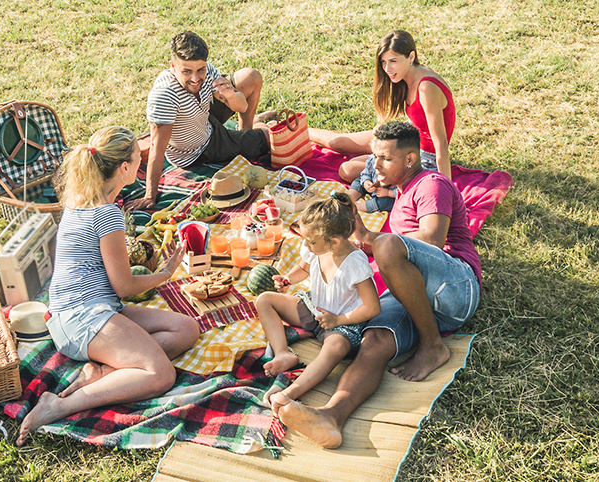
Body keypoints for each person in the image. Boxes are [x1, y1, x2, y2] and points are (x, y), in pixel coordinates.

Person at [271, 121, 480, 449]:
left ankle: (432, 347)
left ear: (410, 160)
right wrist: (363, 235)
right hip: (414, 296)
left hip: (456, 289)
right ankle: (332, 416)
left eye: (384, 158)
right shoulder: (399, 191)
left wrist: (374, 240)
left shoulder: (431, 184)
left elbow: (432, 242)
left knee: (386, 246)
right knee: (375, 339)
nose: (374, 164)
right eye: (374, 156)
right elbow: (389, 247)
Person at [16, 126, 200, 446]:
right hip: (81, 319)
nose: (141, 164)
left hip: (93, 309)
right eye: (138, 159)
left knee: (186, 329)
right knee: (161, 374)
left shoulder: (81, 199)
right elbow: (125, 284)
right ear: (124, 168)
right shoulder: (106, 214)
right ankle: (60, 404)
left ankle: (102, 372)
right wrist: (166, 272)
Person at [256, 192, 380, 414]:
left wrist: (338, 320)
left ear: (333, 242)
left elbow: (372, 307)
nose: (306, 244)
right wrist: (288, 279)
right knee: (265, 299)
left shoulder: (355, 264)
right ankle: (283, 352)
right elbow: (303, 269)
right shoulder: (316, 248)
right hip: (314, 309)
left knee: (335, 348)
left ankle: (290, 393)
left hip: (343, 324)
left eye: (310, 241)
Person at [309, 30, 456, 212]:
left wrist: (446, 191)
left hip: (423, 157)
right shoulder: (405, 76)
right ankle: (299, 130)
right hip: (404, 137)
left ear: (411, 57)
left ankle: (357, 194)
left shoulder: (426, 87)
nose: (387, 69)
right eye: (384, 62)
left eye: (393, 61)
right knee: (338, 143)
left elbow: (440, 142)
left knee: (347, 170)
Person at [127, 31, 275, 210]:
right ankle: (252, 133)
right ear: (173, 66)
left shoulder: (208, 71)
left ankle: (246, 132)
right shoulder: (165, 96)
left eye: (200, 70)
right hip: (201, 149)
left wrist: (230, 95)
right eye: (187, 71)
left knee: (251, 76)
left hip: (203, 119)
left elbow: (242, 107)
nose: (195, 79)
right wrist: (150, 195)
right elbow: (157, 148)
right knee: (270, 137)